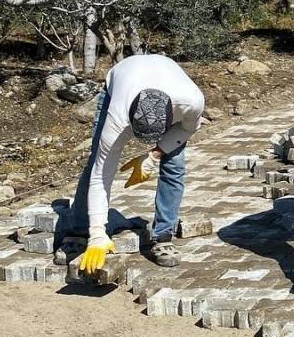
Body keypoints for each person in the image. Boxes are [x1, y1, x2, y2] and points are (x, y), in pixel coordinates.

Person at [61, 54, 205, 276]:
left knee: (174, 167)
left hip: (167, 76)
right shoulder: (117, 116)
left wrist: (154, 155)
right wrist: (98, 233)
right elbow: (102, 174)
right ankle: (82, 231)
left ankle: (162, 236)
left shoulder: (191, 102)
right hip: (121, 80)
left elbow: (187, 129)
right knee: (95, 162)